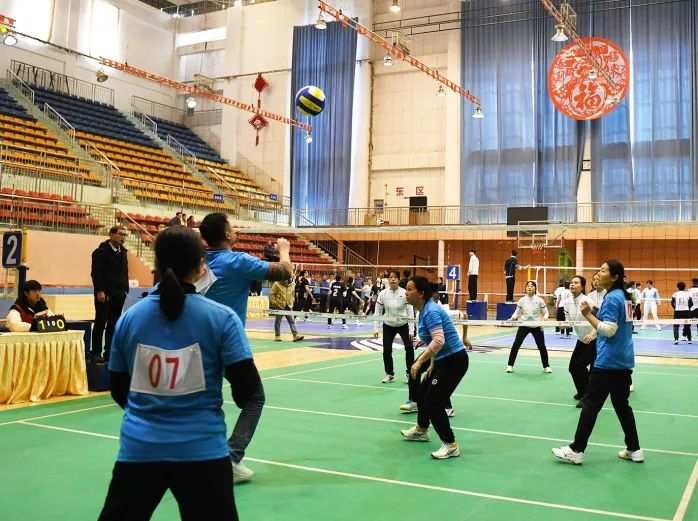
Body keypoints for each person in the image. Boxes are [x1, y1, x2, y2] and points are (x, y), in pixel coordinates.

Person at [98, 226, 255, 521]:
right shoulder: (222, 319)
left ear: (157, 265)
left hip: (140, 449)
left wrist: (152, 413)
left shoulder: (129, 319)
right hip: (203, 451)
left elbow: (119, 389)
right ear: (201, 265)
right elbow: (248, 393)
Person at [199, 212, 292, 483]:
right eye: (231, 227)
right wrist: (284, 249)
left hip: (199, 344)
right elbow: (284, 272)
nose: (235, 230)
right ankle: (231, 457)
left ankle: (202, 456)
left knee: (207, 402)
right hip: (229, 345)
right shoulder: (237, 261)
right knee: (254, 399)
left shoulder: (199, 261)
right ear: (227, 234)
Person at [552, 260, 643, 465]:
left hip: (608, 362)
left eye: (603, 271)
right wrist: (596, 312)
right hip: (624, 360)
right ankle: (635, 449)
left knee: (590, 405)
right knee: (622, 406)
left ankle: (576, 451)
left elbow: (609, 330)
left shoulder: (612, 298)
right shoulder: (625, 297)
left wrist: (587, 315)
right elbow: (619, 323)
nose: (599, 274)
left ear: (614, 277)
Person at [400, 276, 469, 460]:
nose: (406, 292)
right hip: (442, 360)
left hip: (454, 361)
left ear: (421, 293)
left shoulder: (430, 311)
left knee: (433, 401)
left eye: (410, 289)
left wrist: (419, 362)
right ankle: (421, 431)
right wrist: (432, 363)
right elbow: (434, 340)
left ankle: (451, 445)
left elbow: (439, 340)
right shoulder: (422, 311)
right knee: (423, 393)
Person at [91, 225, 129, 363]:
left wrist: (125, 289)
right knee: (100, 323)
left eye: (125, 235)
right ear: (111, 235)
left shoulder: (123, 252)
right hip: (104, 295)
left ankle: (109, 353)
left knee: (113, 325)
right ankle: (96, 353)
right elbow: (96, 273)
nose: (123, 237)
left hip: (119, 294)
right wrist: (100, 290)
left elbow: (124, 272)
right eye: (120, 234)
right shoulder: (100, 252)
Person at [376, 270, 415, 389]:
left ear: (398, 279)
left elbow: (410, 311)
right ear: (388, 279)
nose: (393, 279)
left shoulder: (404, 293)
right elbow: (377, 311)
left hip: (403, 324)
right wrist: (376, 328)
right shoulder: (382, 294)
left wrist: (411, 330)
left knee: (409, 348)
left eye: (395, 277)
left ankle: (409, 374)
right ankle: (390, 374)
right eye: (390, 277)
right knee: (387, 350)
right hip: (388, 325)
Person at [563, 276, 596, 406]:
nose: (572, 284)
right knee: (573, 367)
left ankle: (587, 397)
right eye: (571, 282)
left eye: (576, 283)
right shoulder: (567, 302)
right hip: (582, 339)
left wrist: (592, 333)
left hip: (594, 339)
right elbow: (568, 322)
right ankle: (583, 392)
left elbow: (599, 319)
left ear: (582, 287)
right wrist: (564, 325)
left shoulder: (588, 301)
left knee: (580, 367)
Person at [506, 280, 551, 373]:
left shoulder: (540, 300)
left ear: (535, 288)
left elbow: (546, 312)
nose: (529, 287)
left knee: (542, 347)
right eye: (528, 286)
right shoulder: (522, 300)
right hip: (524, 325)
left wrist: (544, 321)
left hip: (537, 326)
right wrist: (511, 319)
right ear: (525, 288)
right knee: (516, 345)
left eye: (532, 286)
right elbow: (517, 313)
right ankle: (510, 365)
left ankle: (546, 366)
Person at [269, 278, 304, 342]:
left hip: (289, 306)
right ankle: (277, 336)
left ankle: (295, 335)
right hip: (280, 306)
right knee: (278, 322)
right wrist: (275, 303)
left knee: (292, 321)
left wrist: (292, 301)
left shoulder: (292, 284)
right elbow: (272, 294)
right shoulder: (277, 284)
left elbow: (293, 294)